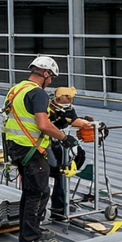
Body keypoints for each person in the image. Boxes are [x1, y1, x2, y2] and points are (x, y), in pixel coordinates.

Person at [1, 56, 77, 242]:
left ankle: (31, 229)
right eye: (51, 77)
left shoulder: (16, 90)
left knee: (31, 191)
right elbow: (42, 125)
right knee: (39, 192)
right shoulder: (38, 93)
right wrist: (63, 137)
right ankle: (30, 240)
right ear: (45, 73)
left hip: (16, 148)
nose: (51, 82)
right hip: (32, 150)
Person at [47, 86, 92, 221]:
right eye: (63, 99)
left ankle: (60, 205)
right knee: (60, 171)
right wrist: (85, 123)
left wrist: (85, 122)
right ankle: (58, 208)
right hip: (47, 143)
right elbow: (71, 121)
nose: (66, 102)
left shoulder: (68, 109)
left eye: (69, 99)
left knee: (79, 155)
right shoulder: (48, 109)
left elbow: (73, 119)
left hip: (57, 140)